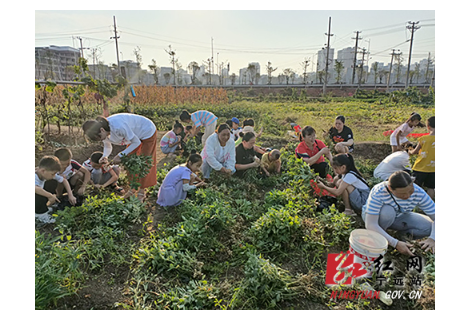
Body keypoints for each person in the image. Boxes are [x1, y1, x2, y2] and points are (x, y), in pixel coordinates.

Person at [82, 113, 158, 201]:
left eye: (100, 138)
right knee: (130, 162)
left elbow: (136, 142)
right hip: (134, 137)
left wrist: (120, 155)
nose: (102, 140)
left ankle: (141, 192)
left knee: (143, 162)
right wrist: (105, 156)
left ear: (102, 130)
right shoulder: (103, 131)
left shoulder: (118, 127)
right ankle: (133, 188)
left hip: (146, 131)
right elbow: (107, 146)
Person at [362, 171, 435, 256]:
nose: (407, 196)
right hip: (376, 217)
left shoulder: (419, 192)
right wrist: (395, 243)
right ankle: (379, 239)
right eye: (402, 194)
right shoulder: (379, 191)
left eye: (410, 191)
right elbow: (371, 224)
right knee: (387, 212)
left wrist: (432, 238)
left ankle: (402, 236)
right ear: (390, 188)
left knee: (428, 227)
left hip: (399, 216)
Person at [35, 156, 75, 223]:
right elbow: (36, 189)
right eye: (52, 174)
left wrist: (70, 195)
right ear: (43, 171)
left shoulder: (43, 173)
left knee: (52, 182)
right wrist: (50, 196)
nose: (54, 176)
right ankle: (40, 214)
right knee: (39, 191)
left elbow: (63, 180)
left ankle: (43, 207)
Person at [410, 116, 435, 198]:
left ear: (428, 127)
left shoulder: (423, 139)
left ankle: (414, 204)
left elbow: (415, 152)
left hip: (420, 168)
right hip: (433, 169)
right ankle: (428, 206)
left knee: (415, 187)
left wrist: (409, 152)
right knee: (431, 188)